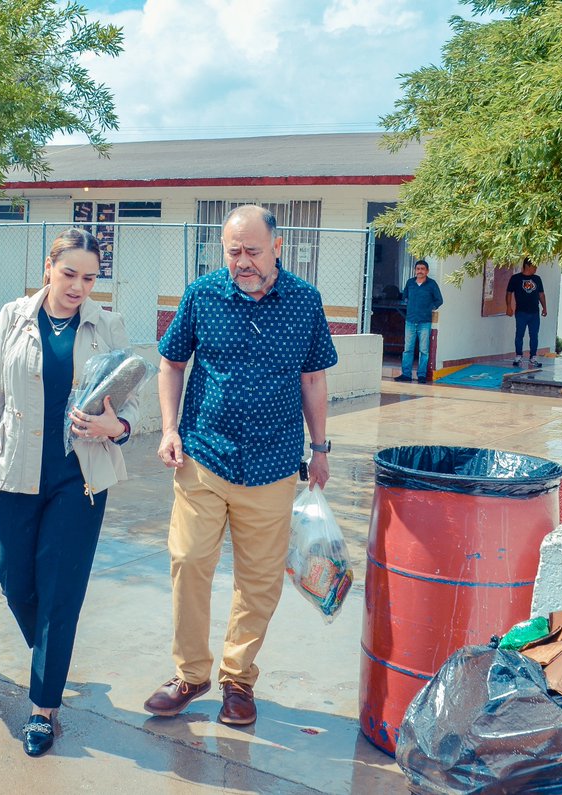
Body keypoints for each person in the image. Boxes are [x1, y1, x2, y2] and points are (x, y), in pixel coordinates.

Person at [145, 205, 338, 727]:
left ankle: (238, 679)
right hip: (203, 456)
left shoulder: (304, 301)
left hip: (274, 463)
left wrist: (320, 449)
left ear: (278, 247)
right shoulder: (202, 295)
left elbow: (313, 379)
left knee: (258, 582)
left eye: (253, 251)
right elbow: (171, 363)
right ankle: (190, 674)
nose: (244, 261)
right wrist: (169, 428)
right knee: (188, 561)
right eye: (234, 252)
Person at [0, 228, 138, 757]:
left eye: (90, 278)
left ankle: (43, 706)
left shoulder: (107, 325)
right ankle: (51, 654)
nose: (78, 286)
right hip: (16, 468)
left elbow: (131, 402)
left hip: (80, 476)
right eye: (69, 274)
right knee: (12, 576)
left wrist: (116, 427)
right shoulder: (13, 317)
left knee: (60, 591)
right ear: (48, 269)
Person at [393, 260, 443, 383]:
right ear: (415, 270)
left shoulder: (432, 284)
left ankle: (422, 375)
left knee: (424, 351)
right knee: (408, 349)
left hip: (425, 322)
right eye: (418, 269)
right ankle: (406, 374)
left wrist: (430, 307)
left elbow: (439, 300)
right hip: (410, 321)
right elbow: (404, 296)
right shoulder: (410, 283)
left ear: (427, 271)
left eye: (422, 269)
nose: (420, 271)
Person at [506, 258, 547, 368]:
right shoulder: (516, 278)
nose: (536, 268)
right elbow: (509, 293)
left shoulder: (537, 279)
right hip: (521, 312)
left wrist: (544, 308)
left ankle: (533, 357)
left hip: (534, 312)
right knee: (519, 334)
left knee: (534, 335)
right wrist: (508, 306)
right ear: (527, 265)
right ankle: (518, 356)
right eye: (534, 266)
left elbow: (541, 294)